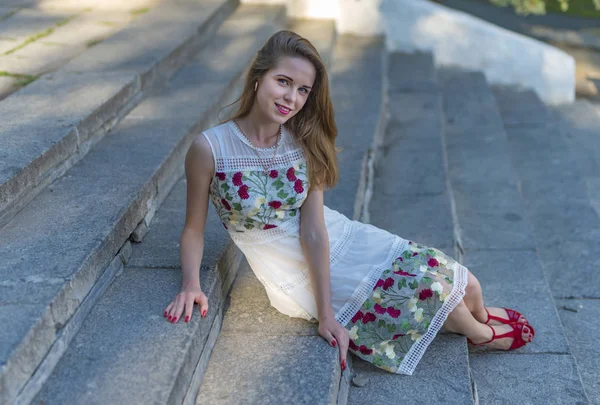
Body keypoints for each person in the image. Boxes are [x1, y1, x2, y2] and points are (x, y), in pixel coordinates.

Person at [163, 30, 535, 375]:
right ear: (258, 77)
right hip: (286, 264)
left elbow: (313, 229)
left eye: (303, 90)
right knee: (438, 294)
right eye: (283, 82)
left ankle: (480, 316)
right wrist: (191, 284)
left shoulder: (301, 141)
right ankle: (481, 333)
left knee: (465, 282)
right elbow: (193, 229)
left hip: (334, 238)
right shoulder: (209, 148)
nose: (291, 98)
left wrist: (327, 309)